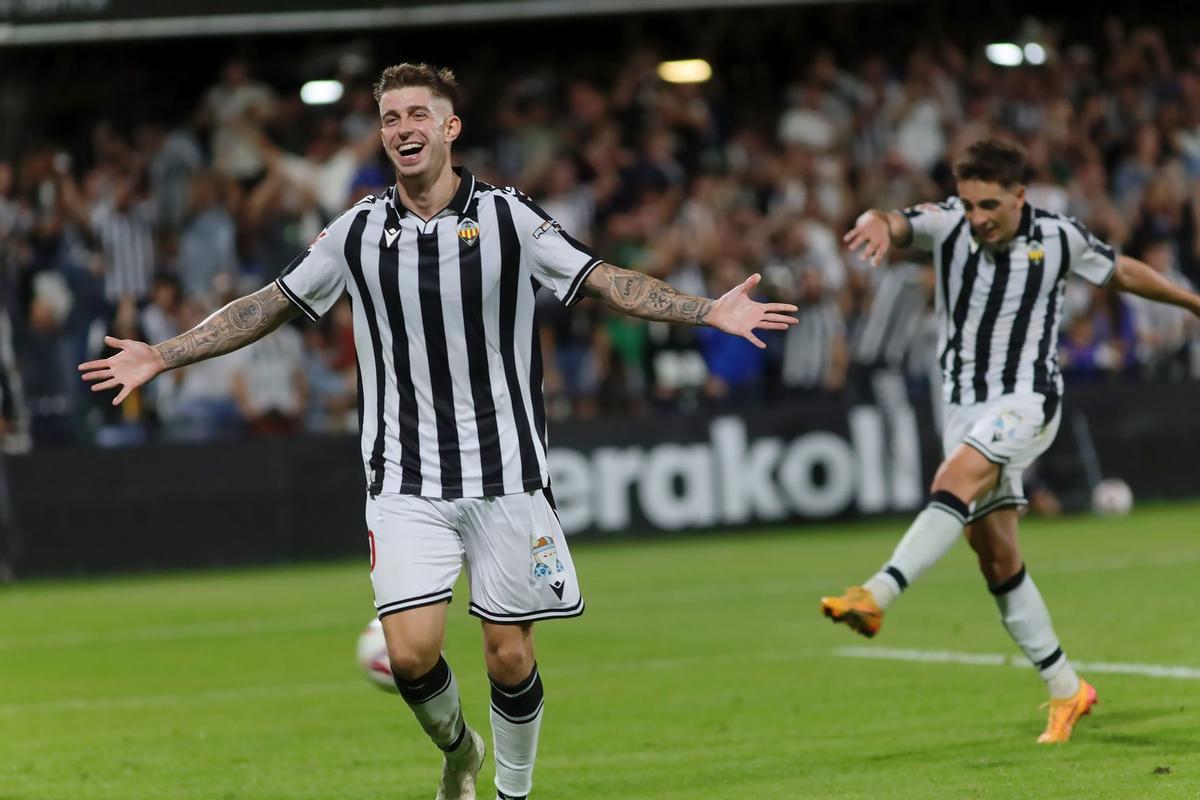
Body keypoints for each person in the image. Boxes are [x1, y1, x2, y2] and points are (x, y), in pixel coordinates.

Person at [79, 63, 798, 800]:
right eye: (390, 119)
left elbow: (607, 279)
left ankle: (512, 796)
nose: (403, 130)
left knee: (509, 656)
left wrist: (707, 310)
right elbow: (268, 304)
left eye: (417, 115)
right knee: (411, 651)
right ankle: (460, 751)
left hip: (506, 473)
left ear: (449, 128)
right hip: (404, 478)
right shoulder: (356, 232)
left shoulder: (511, 219)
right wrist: (163, 354)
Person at [822, 138, 1200, 744]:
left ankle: (876, 593)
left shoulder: (1058, 237)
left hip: (1026, 399)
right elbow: (896, 222)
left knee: (953, 482)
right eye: (969, 203)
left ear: (1020, 195)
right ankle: (1068, 690)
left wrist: (1190, 301)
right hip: (962, 406)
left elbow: (1119, 269)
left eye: (989, 205)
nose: (977, 218)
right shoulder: (946, 225)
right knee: (995, 555)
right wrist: (873, 221)